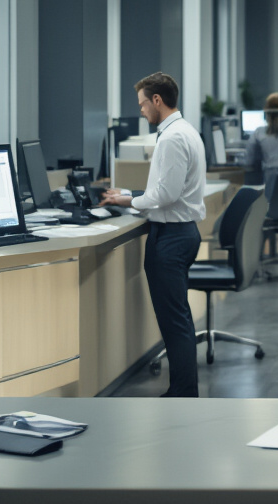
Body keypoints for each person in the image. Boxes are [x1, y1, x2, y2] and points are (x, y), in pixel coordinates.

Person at [100, 72, 206, 397]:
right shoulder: (184, 131)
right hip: (180, 232)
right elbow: (165, 190)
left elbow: (168, 194)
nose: (142, 111)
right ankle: (183, 390)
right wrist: (131, 194)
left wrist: (131, 199)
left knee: (175, 325)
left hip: (171, 238)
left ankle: (183, 394)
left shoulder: (172, 137)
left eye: (143, 104)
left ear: (157, 100)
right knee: (178, 321)